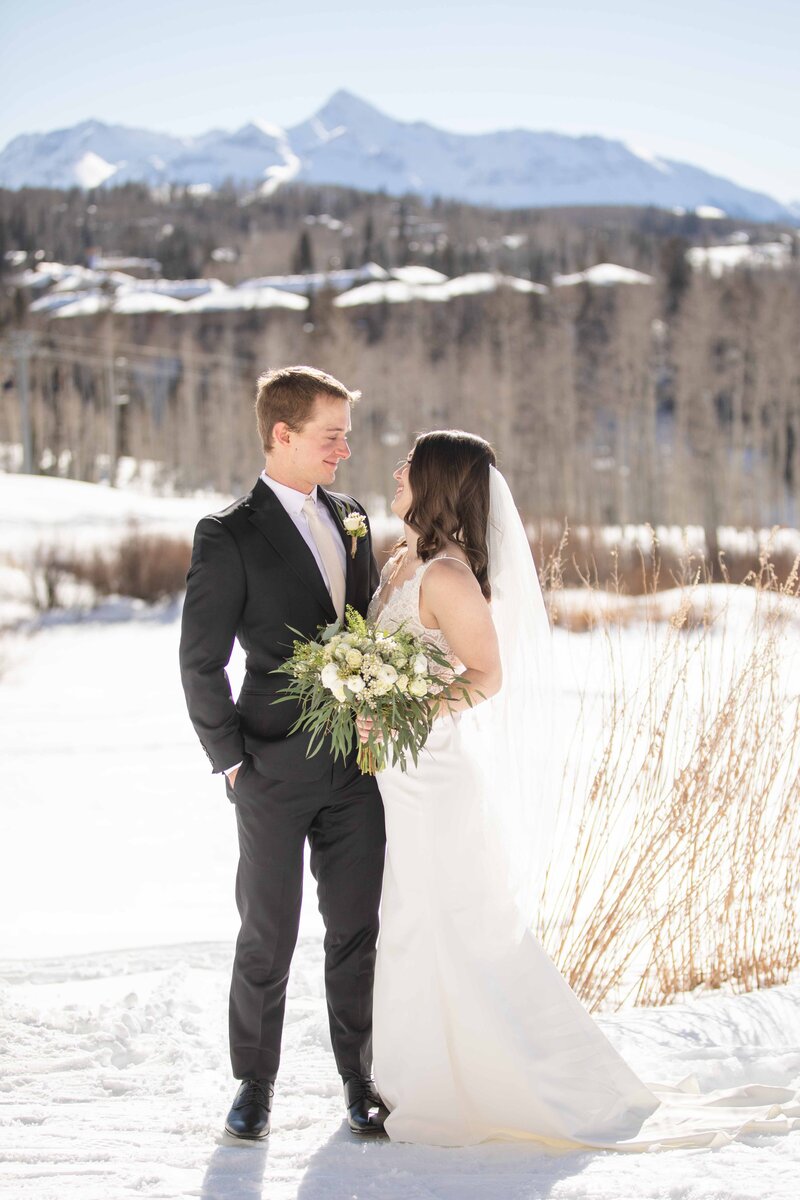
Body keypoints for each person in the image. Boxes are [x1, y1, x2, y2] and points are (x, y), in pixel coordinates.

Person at [361, 428, 800, 1149]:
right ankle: (419, 1081)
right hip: (397, 782)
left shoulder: (446, 575)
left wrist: (401, 709)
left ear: (436, 480)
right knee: (411, 924)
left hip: (435, 781)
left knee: (448, 926)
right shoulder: (401, 560)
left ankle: (493, 1086)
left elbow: (485, 677)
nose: (398, 468)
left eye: (412, 462)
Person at [180, 365, 388, 1140]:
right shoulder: (227, 534)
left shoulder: (354, 516)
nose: (345, 449)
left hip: (355, 773)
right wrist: (232, 761)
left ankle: (359, 1080)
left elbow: (366, 631)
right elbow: (200, 661)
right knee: (267, 932)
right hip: (268, 769)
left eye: (346, 435)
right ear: (283, 434)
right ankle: (254, 1084)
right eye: (331, 436)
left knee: (356, 927)